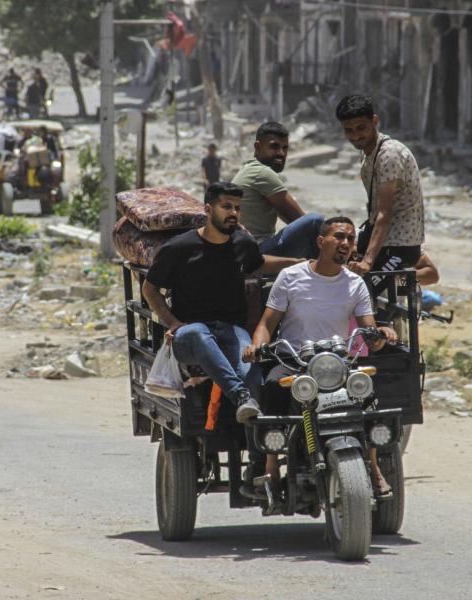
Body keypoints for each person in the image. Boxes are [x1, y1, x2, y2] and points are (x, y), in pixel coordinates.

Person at [244, 216, 399, 500]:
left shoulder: (355, 284)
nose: (346, 244)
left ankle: (373, 467)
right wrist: (257, 347)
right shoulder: (291, 277)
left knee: (369, 398)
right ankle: (269, 468)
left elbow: (368, 331)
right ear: (320, 241)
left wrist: (381, 333)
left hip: (338, 362)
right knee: (272, 392)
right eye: (339, 237)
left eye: (351, 239)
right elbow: (267, 323)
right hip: (295, 361)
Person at [141, 182, 302, 424]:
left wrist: (296, 262)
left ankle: (258, 450)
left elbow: (257, 263)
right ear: (208, 209)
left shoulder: (241, 243)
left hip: (230, 330)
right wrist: (173, 323)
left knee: (251, 369)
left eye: (237, 207)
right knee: (197, 332)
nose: (234, 213)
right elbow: (149, 288)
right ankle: (240, 396)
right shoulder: (179, 248)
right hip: (189, 336)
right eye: (226, 206)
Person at [335, 95, 425, 294]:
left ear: (374, 121)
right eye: (348, 130)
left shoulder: (388, 154)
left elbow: (385, 213)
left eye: (361, 128)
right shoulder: (369, 153)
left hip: (399, 246)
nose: (355, 136)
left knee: (365, 294)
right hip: (382, 241)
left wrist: (367, 262)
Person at [230, 122, 324, 259]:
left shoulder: (250, 168)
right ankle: (322, 273)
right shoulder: (262, 172)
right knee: (315, 221)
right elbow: (301, 219)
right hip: (256, 250)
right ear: (257, 147)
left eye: (285, 148)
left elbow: (290, 219)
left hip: (245, 249)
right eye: (274, 147)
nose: (281, 153)